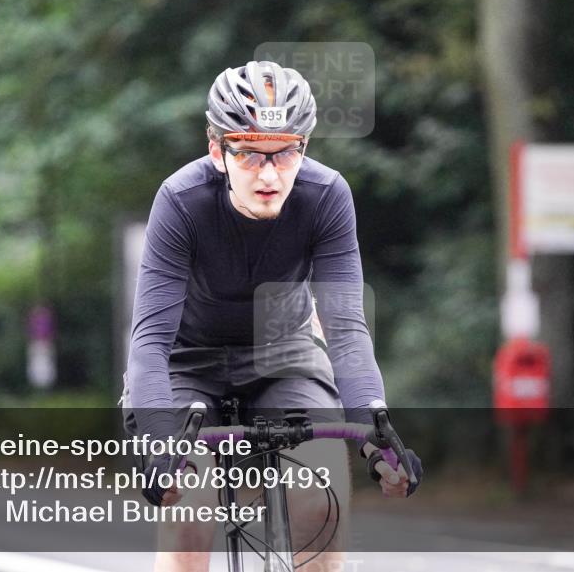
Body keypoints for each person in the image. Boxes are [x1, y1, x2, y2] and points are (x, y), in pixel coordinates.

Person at [122, 60, 422, 572]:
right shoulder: (181, 200)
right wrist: (156, 441)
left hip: (285, 357)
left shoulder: (326, 196)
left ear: (303, 146)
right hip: (187, 362)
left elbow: (346, 330)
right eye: (249, 152)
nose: (268, 173)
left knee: (319, 501)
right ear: (218, 151)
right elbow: (149, 340)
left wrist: (377, 430)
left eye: (285, 152)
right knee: (189, 509)